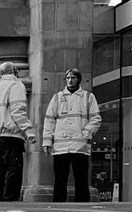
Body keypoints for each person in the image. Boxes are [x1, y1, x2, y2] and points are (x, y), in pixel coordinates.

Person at [42, 68, 102, 203]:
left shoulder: (88, 97)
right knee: (59, 181)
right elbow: (49, 120)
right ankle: (57, 209)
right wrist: (47, 142)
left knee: (81, 180)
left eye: (73, 78)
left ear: (79, 79)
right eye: (68, 78)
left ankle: (82, 209)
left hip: (80, 146)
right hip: (60, 147)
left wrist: (85, 134)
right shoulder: (57, 97)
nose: (70, 80)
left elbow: (96, 119)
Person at [0, 61, 37, 201]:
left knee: (0, 171)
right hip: (13, 135)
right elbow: (17, 111)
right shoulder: (16, 85)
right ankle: (10, 201)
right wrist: (28, 131)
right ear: (14, 71)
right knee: (13, 170)